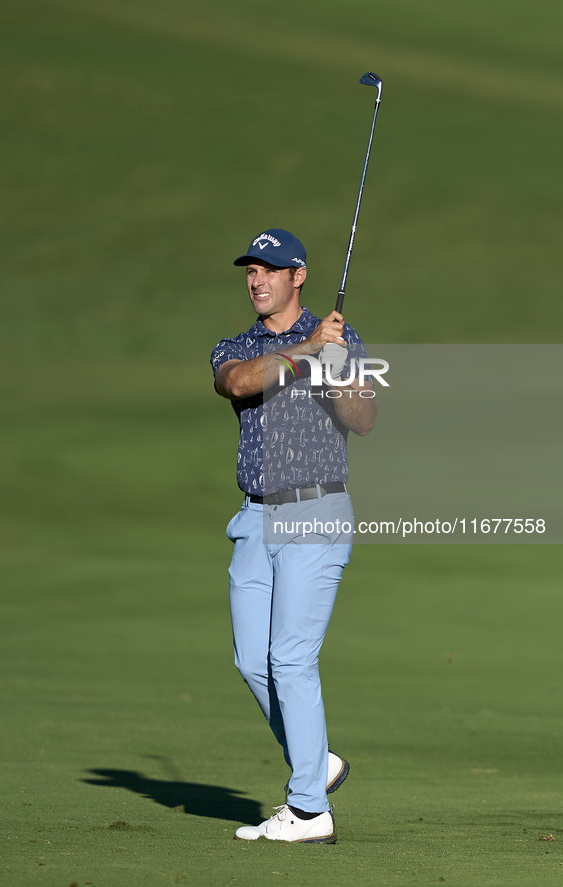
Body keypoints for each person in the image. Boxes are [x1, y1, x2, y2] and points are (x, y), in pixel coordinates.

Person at [211, 228, 376, 843]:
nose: (257, 280)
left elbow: (364, 421)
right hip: (255, 517)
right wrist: (306, 349)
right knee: (252, 660)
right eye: (250, 270)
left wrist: (333, 369)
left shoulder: (341, 339)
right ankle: (319, 764)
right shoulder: (237, 345)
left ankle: (310, 809)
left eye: (270, 270)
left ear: (297, 275)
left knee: (291, 658)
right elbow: (237, 383)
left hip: (315, 510)